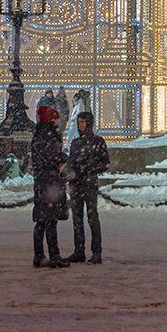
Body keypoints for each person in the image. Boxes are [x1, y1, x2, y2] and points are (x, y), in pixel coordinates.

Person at [66, 108, 111, 263]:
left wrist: (89, 169)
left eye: (83, 122)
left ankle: (96, 252)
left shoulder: (98, 142)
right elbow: (71, 163)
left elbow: (105, 163)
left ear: (89, 123)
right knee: (77, 219)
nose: (80, 125)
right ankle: (79, 251)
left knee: (92, 218)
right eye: (79, 123)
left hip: (89, 183)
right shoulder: (76, 143)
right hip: (77, 184)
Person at [30, 104, 69, 269]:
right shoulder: (50, 136)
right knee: (51, 220)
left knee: (41, 221)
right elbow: (56, 157)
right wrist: (64, 156)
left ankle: (39, 256)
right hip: (51, 183)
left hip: (40, 182)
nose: (58, 121)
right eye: (56, 118)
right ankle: (54, 256)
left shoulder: (38, 135)